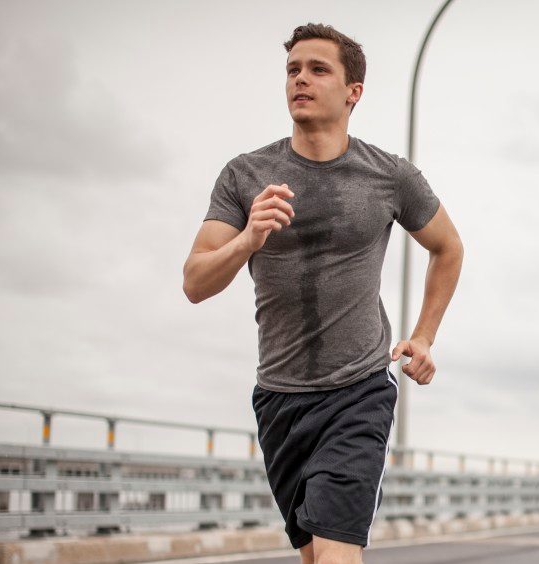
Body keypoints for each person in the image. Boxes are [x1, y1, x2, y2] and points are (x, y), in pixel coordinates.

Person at [181, 23, 463, 564]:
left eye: (318, 69)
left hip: (358, 390)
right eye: (292, 70)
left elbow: (448, 248)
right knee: (313, 556)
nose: (300, 80)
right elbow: (195, 282)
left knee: (335, 554)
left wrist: (423, 336)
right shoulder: (246, 175)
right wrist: (248, 238)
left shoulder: (390, 176)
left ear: (353, 91)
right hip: (279, 397)